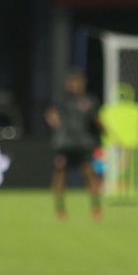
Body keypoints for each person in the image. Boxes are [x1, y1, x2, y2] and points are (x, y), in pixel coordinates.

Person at [46, 71, 104, 221]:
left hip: (83, 143)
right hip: (64, 144)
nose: (74, 85)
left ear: (83, 83)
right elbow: (51, 114)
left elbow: (96, 119)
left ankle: (96, 208)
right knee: (60, 175)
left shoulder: (90, 101)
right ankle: (60, 209)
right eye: (71, 82)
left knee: (89, 173)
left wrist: (108, 132)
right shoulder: (62, 100)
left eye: (77, 82)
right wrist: (56, 123)